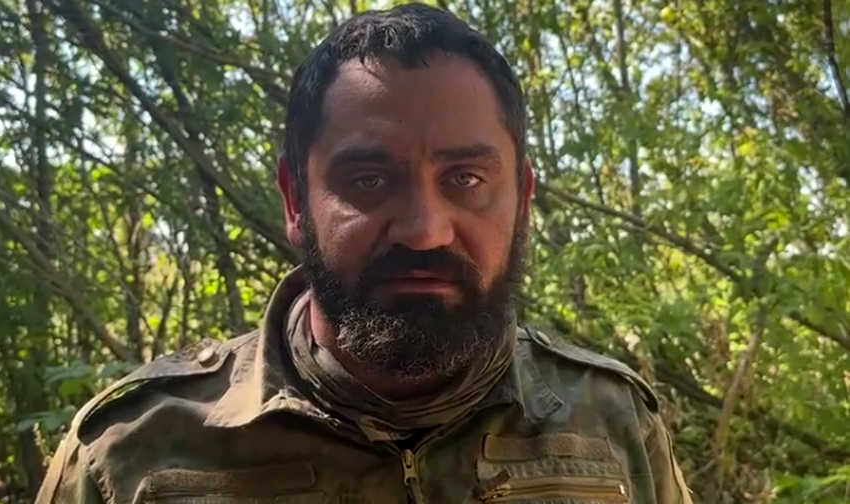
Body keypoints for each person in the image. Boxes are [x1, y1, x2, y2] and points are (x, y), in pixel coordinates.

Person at [36, 3, 694, 503]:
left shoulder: (615, 424)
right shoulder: (131, 452)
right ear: (296, 200)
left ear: (521, 199)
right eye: (369, 181)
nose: (424, 231)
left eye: (465, 179)